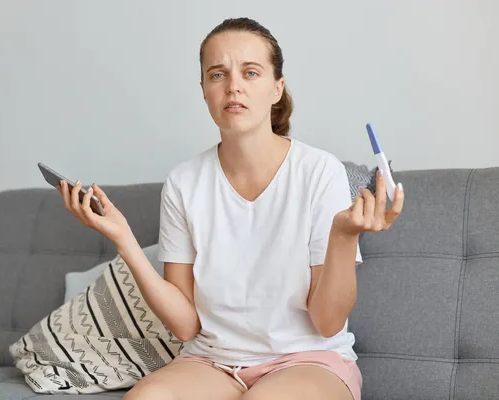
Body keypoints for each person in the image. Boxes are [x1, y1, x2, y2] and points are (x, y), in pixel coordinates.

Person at [57, 17, 404, 400]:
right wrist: (124, 240)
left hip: (308, 361)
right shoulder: (183, 183)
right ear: (204, 90)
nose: (233, 85)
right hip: (212, 362)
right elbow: (186, 326)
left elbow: (327, 322)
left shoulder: (319, 171)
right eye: (217, 74)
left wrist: (343, 236)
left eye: (250, 72)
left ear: (277, 88)